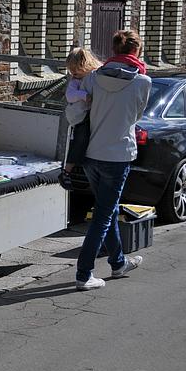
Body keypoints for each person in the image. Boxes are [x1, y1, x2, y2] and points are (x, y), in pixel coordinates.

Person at [68, 30, 151, 291]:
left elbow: (81, 110)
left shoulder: (93, 77)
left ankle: (117, 263)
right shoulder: (143, 82)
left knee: (108, 208)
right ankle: (84, 274)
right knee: (103, 215)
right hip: (118, 156)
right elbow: (136, 116)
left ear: (114, 50)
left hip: (92, 154)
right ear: (136, 51)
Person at [62, 48, 103, 178]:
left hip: (95, 114)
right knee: (80, 138)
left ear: (86, 65)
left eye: (76, 69)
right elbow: (70, 96)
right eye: (70, 70)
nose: (73, 73)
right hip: (82, 117)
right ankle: (68, 169)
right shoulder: (75, 81)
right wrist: (83, 95)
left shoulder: (97, 75)